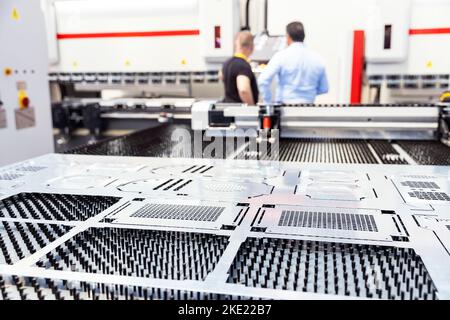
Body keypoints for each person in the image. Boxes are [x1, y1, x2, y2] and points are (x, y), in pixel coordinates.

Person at [258, 21, 329, 104]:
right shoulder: (318, 59)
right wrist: (308, 93)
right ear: (304, 36)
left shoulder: (281, 56)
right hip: (309, 108)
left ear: (288, 37)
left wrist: (268, 102)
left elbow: (263, 81)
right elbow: (324, 88)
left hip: (285, 109)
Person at [221, 31, 259, 105]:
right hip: (240, 112)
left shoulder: (227, 63)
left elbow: (221, 75)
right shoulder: (242, 65)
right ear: (251, 47)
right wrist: (252, 108)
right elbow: (243, 89)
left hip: (228, 109)